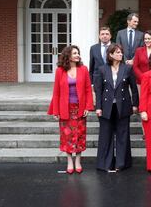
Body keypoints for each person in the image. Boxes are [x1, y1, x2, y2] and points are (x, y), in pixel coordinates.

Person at [48, 45, 94, 174]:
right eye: (74, 53)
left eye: (78, 53)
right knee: (67, 136)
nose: (77, 55)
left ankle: (78, 161)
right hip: (65, 109)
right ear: (68, 55)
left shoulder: (83, 69)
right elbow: (56, 92)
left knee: (80, 135)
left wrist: (88, 107)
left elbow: (88, 90)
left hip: (79, 108)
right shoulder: (60, 71)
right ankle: (69, 161)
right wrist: (55, 110)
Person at [94, 44, 139, 172]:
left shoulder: (127, 68)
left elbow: (134, 89)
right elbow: (99, 90)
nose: (120, 54)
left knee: (122, 135)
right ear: (111, 55)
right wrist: (98, 107)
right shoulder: (102, 69)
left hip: (123, 106)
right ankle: (105, 164)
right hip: (106, 106)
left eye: (121, 52)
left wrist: (135, 104)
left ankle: (121, 163)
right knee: (105, 135)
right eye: (117, 52)